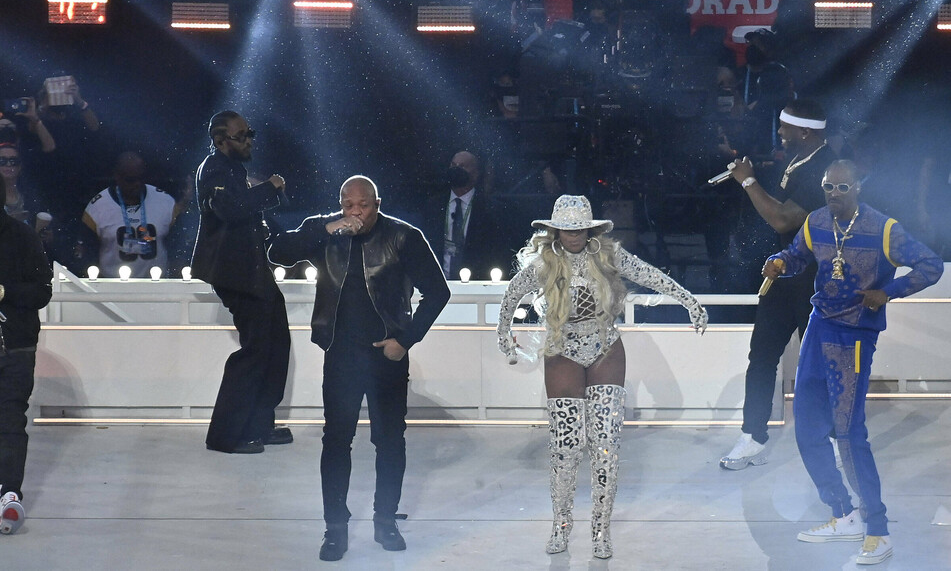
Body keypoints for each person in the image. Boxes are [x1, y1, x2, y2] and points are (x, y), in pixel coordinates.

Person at [496, 195, 708, 559]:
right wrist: (505, 337)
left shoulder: (609, 256)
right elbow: (511, 295)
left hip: (605, 346)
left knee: (606, 445)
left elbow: (651, 275)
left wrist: (689, 300)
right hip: (562, 347)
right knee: (565, 447)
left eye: (579, 228)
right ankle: (561, 526)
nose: (573, 235)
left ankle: (600, 530)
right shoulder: (545, 262)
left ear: (591, 228)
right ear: (555, 230)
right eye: (566, 228)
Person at [761, 160, 942, 565]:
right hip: (819, 327)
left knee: (847, 432)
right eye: (828, 187)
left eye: (842, 187)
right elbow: (796, 255)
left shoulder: (885, 229)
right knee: (807, 427)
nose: (834, 194)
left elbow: (930, 265)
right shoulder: (816, 222)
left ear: (859, 185)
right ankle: (842, 514)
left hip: (854, 335)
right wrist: (778, 263)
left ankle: (877, 529)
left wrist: (889, 292)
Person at [268, 176, 450, 562]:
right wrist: (325, 228)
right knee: (335, 441)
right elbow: (279, 252)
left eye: (363, 205)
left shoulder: (403, 236)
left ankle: (385, 521)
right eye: (347, 204)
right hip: (340, 355)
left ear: (377, 204)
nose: (355, 212)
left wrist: (406, 340)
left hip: (385, 356)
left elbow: (438, 290)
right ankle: (335, 528)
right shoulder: (326, 231)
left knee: (389, 441)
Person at [720, 98, 837, 470]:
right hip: (785, 273)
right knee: (762, 357)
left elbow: (784, 220)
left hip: (816, 279)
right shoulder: (803, 159)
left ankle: (831, 439)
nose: (780, 134)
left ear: (805, 132)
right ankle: (753, 437)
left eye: (785, 129)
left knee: (819, 362)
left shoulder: (826, 169)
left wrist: (749, 181)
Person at [191, 111, 291, 455]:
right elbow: (230, 209)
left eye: (250, 133)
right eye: (241, 135)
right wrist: (270, 188)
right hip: (235, 273)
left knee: (275, 342)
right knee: (255, 350)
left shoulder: (232, 169)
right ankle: (226, 434)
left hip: (251, 269)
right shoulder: (215, 168)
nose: (249, 140)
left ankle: (258, 424)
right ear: (221, 140)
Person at [0, 173, 53, 535]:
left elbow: (41, 292)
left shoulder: (22, 237)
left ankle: (9, 494)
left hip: (14, 345)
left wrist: (4, 292)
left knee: (10, 419)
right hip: (17, 345)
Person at [82, 151, 178, 278]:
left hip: (157, 287)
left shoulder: (166, 202)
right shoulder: (98, 207)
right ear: (117, 176)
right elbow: (87, 254)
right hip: (111, 288)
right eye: (130, 180)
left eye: (141, 178)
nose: (137, 184)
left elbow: (178, 248)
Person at [422, 150, 505, 281]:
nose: (456, 170)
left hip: (475, 285)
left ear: (476, 173)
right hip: (438, 282)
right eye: (453, 165)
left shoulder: (491, 209)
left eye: (462, 166)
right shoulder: (433, 205)